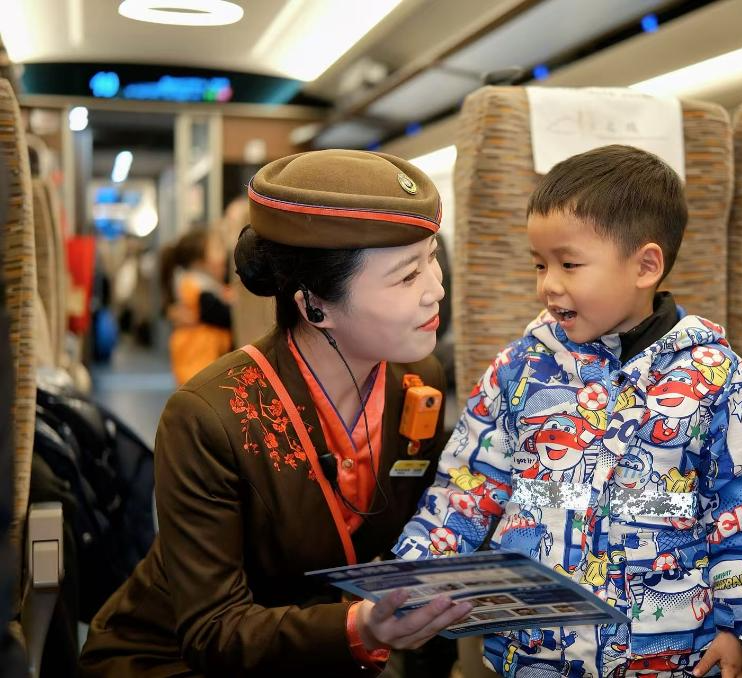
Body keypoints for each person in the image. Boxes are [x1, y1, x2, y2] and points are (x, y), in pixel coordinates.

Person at [394, 145, 742, 677]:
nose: (548, 284)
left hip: (666, 653)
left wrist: (740, 627)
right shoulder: (519, 370)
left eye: (569, 264)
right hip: (534, 652)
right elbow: (466, 486)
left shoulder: (715, 377)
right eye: (540, 265)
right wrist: (413, 577)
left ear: (645, 266)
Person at [79, 149, 471, 677]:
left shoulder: (418, 380)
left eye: (432, 259)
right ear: (315, 305)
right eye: (406, 277)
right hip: (174, 660)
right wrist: (360, 627)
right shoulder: (208, 418)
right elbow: (212, 631)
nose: (436, 290)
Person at [159, 228, 233, 384]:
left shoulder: (193, 282)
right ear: (199, 261)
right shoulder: (199, 287)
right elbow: (225, 316)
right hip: (200, 365)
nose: (224, 253)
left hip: (198, 363)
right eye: (217, 248)